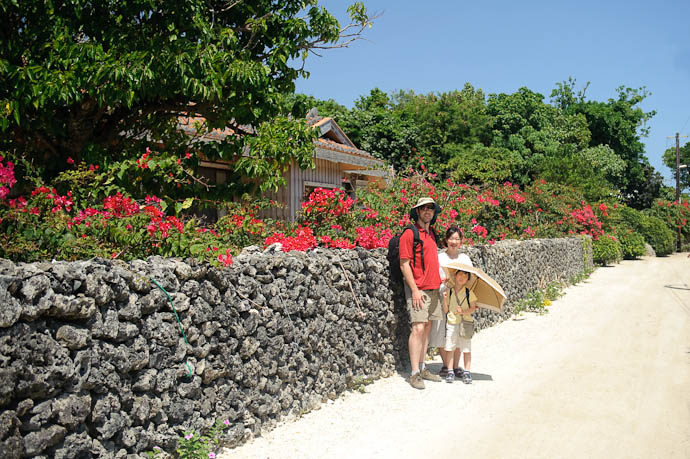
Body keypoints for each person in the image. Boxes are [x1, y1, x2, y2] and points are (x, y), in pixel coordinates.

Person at [399, 197, 443, 389]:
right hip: (419, 289)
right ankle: (415, 373)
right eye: (424, 208)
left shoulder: (432, 233)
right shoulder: (410, 234)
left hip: (433, 288)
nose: (427, 211)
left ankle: (423, 367)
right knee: (417, 329)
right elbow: (404, 264)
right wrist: (415, 290)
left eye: (430, 209)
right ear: (417, 211)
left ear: (434, 213)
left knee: (426, 328)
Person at [441, 254, 478, 384]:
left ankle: (467, 371)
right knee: (450, 347)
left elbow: (473, 308)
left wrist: (463, 311)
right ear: (455, 276)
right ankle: (450, 370)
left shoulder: (469, 293)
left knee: (466, 348)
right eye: (459, 274)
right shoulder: (449, 292)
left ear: (468, 278)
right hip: (451, 323)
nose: (462, 277)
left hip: (465, 324)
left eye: (465, 275)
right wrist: (445, 300)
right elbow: (445, 311)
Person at [434, 226, 464, 378]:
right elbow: (433, 276)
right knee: (441, 331)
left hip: (459, 300)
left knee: (457, 331)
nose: (454, 241)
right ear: (446, 240)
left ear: (460, 241)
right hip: (443, 297)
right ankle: (447, 365)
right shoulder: (439, 258)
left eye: (457, 239)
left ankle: (456, 365)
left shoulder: (464, 259)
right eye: (451, 238)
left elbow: (470, 279)